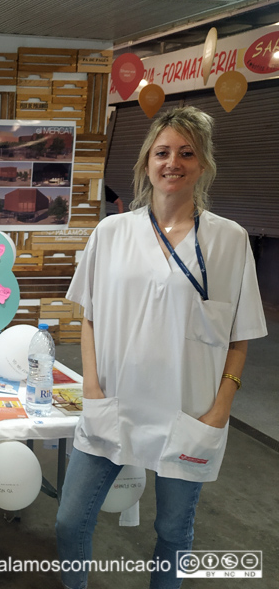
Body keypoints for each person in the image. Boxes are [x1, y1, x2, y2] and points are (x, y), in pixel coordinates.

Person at [56, 107, 267, 589]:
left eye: (186, 153)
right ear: (147, 162)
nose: (173, 162)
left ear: (203, 164)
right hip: (113, 402)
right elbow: (89, 314)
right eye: (163, 152)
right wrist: (90, 385)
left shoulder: (229, 241)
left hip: (187, 413)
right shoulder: (112, 233)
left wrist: (220, 408)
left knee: (173, 532)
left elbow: (239, 334)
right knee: (70, 522)